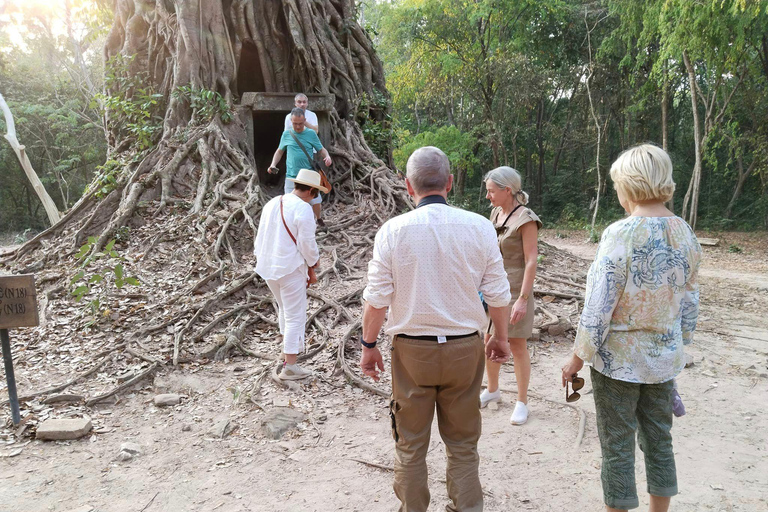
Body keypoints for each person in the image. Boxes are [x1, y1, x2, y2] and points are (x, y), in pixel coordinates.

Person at [360, 146, 512, 512]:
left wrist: (368, 345)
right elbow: (498, 294)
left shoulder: (393, 231)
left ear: (407, 186)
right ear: (450, 182)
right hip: (465, 349)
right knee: (462, 443)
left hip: (413, 352)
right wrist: (500, 338)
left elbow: (377, 299)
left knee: (410, 443)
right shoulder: (479, 226)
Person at [561, 144, 701, 512]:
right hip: (663, 361)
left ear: (629, 185)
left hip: (617, 364)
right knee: (660, 440)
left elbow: (598, 307)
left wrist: (576, 359)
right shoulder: (685, 232)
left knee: (618, 446)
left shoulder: (620, 234)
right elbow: (690, 299)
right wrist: (678, 343)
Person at [479, 167, 541, 425]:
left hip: (516, 289)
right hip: (493, 289)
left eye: (491, 191)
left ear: (507, 190)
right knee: (489, 340)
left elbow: (531, 260)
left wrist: (523, 299)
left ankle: (522, 402)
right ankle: (492, 390)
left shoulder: (526, 219)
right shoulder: (495, 213)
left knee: (516, 345)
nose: (487, 196)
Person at [254, 168, 329, 380]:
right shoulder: (303, 209)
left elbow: (260, 237)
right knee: (295, 315)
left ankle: (286, 355)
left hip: (268, 266)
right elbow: (307, 243)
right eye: (315, 194)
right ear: (311, 191)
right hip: (289, 268)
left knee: (284, 310)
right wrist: (314, 261)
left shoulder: (272, 203)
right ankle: (291, 366)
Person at [269, 107, 332, 225]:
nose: (297, 126)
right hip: (291, 175)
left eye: (300, 123)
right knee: (289, 201)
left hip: (308, 175)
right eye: (295, 123)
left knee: (315, 200)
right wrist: (273, 164)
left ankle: (318, 219)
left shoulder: (311, 133)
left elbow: (321, 149)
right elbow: (279, 151)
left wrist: (327, 156)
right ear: (291, 121)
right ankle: (291, 224)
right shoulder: (287, 134)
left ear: (305, 120)